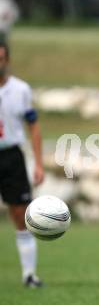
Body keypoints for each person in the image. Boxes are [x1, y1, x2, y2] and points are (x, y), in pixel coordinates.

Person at [0, 41, 44, 287]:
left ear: (7, 60)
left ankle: (29, 275)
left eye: (1, 58)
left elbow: (33, 126)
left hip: (10, 155)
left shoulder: (20, 90)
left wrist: (38, 164)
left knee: (20, 214)